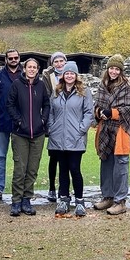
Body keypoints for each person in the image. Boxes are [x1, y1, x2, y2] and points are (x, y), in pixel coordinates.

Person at [47, 61, 94, 216]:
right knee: (62, 170)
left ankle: (79, 201)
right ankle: (63, 199)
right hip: (58, 137)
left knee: (74, 168)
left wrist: (81, 129)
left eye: (72, 73)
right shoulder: (56, 92)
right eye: (66, 73)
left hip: (75, 137)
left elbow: (89, 113)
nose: (69, 76)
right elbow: (51, 112)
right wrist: (51, 127)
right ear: (63, 75)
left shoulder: (84, 92)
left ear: (76, 75)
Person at [6, 57, 50, 216]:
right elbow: (9, 104)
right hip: (20, 133)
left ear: (38, 70)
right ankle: (16, 201)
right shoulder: (17, 85)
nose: (31, 69)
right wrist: (18, 121)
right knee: (20, 168)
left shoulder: (41, 85)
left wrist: (43, 120)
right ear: (24, 69)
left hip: (38, 133)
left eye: (34, 67)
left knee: (32, 169)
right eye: (29, 67)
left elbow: (46, 104)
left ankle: (27, 199)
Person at [93, 54, 130, 215]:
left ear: (121, 71)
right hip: (105, 130)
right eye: (112, 68)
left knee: (121, 164)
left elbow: (128, 108)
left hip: (120, 129)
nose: (114, 71)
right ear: (108, 69)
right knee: (106, 163)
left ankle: (120, 201)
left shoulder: (126, 87)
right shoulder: (103, 85)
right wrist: (100, 112)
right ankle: (107, 197)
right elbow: (97, 104)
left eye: (117, 69)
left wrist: (112, 112)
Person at [0, 49, 23, 200]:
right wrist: (2, 110)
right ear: (6, 59)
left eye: (16, 57)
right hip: (3, 121)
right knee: (0, 155)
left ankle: (19, 189)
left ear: (19, 58)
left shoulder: (25, 75)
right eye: (11, 58)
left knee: (20, 157)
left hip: (20, 122)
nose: (14, 60)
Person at [42, 51, 68, 202]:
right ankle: (52, 187)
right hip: (54, 118)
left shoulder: (72, 75)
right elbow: (46, 97)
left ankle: (64, 188)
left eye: (61, 61)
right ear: (52, 63)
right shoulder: (48, 77)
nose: (59, 64)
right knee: (54, 157)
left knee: (68, 157)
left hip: (69, 121)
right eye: (56, 61)